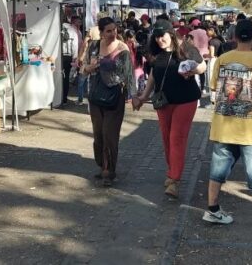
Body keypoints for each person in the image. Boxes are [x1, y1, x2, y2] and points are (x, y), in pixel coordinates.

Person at [204, 19, 252, 224]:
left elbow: (212, 87)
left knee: (217, 169)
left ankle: (212, 208)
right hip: (250, 127)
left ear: (234, 37)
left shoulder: (222, 59)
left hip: (223, 124)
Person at [132, 19, 206, 198]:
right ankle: (172, 169)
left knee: (176, 137)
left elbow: (202, 66)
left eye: (162, 36)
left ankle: (174, 180)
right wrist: (143, 97)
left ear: (171, 34)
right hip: (163, 102)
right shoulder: (156, 52)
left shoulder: (186, 48)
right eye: (156, 37)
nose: (159, 40)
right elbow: (153, 76)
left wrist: (192, 71)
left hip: (186, 100)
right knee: (166, 138)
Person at [81, 17, 135, 186]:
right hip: (96, 95)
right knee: (98, 134)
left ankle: (108, 171)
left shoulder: (122, 48)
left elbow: (129, 74)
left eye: (115, 30)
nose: (113, 33)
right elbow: (83, 68)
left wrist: (133, 97)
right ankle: (101, 164)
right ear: (102, 32)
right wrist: (89, 68)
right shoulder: (94, 46)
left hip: (115, 97)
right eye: (109, 31)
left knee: (109, 135)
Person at [61, 15, 83, 105]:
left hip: (60, 55)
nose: (80, 24)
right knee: (65, 77)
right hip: (68, 56)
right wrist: (75, 56)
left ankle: (59, 97)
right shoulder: (73, 31)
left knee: (61, 77)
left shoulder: (61, 29)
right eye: (78, 22)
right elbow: (75, 45)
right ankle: (64, 98)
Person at [188, 19, 210, 92]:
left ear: (193, 26)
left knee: (194, 71)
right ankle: (203, 88)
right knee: (202, 72)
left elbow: (188, 44)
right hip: (205, 54)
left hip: (194, 54)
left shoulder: (191, 33)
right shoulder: (205, 32)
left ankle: (195, 87)